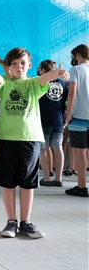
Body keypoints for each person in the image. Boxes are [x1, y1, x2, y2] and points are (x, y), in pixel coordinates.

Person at [0, 47, 69, 238]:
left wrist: (58, 73)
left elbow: (46, 79)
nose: (19, 66)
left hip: (30, 139)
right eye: (14, 63)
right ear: (9, 67)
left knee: (28, 183)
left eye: (23, 63)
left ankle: (25, 221)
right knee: (8, 183)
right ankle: (11, 222)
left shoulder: (33, 84)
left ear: (29, 65)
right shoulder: (5, 83)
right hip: (6, 139)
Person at [36, 60, 68, 187]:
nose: (39, 71)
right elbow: (66, 102)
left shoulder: (41, 82)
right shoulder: (63, 84)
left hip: (43, 120)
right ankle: (58, 178)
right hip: (58, 120)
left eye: (40, 69)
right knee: (58, 147)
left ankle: (47, 178)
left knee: (44, 149)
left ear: (44, 70)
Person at [65, 44, 89, 197]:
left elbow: (72, 93)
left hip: (79, 118)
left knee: (80, 152)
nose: (72, 59)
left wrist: (68, 115)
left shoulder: (76, 70)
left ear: (78, 55)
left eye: (73, 56)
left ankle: (81, 186)